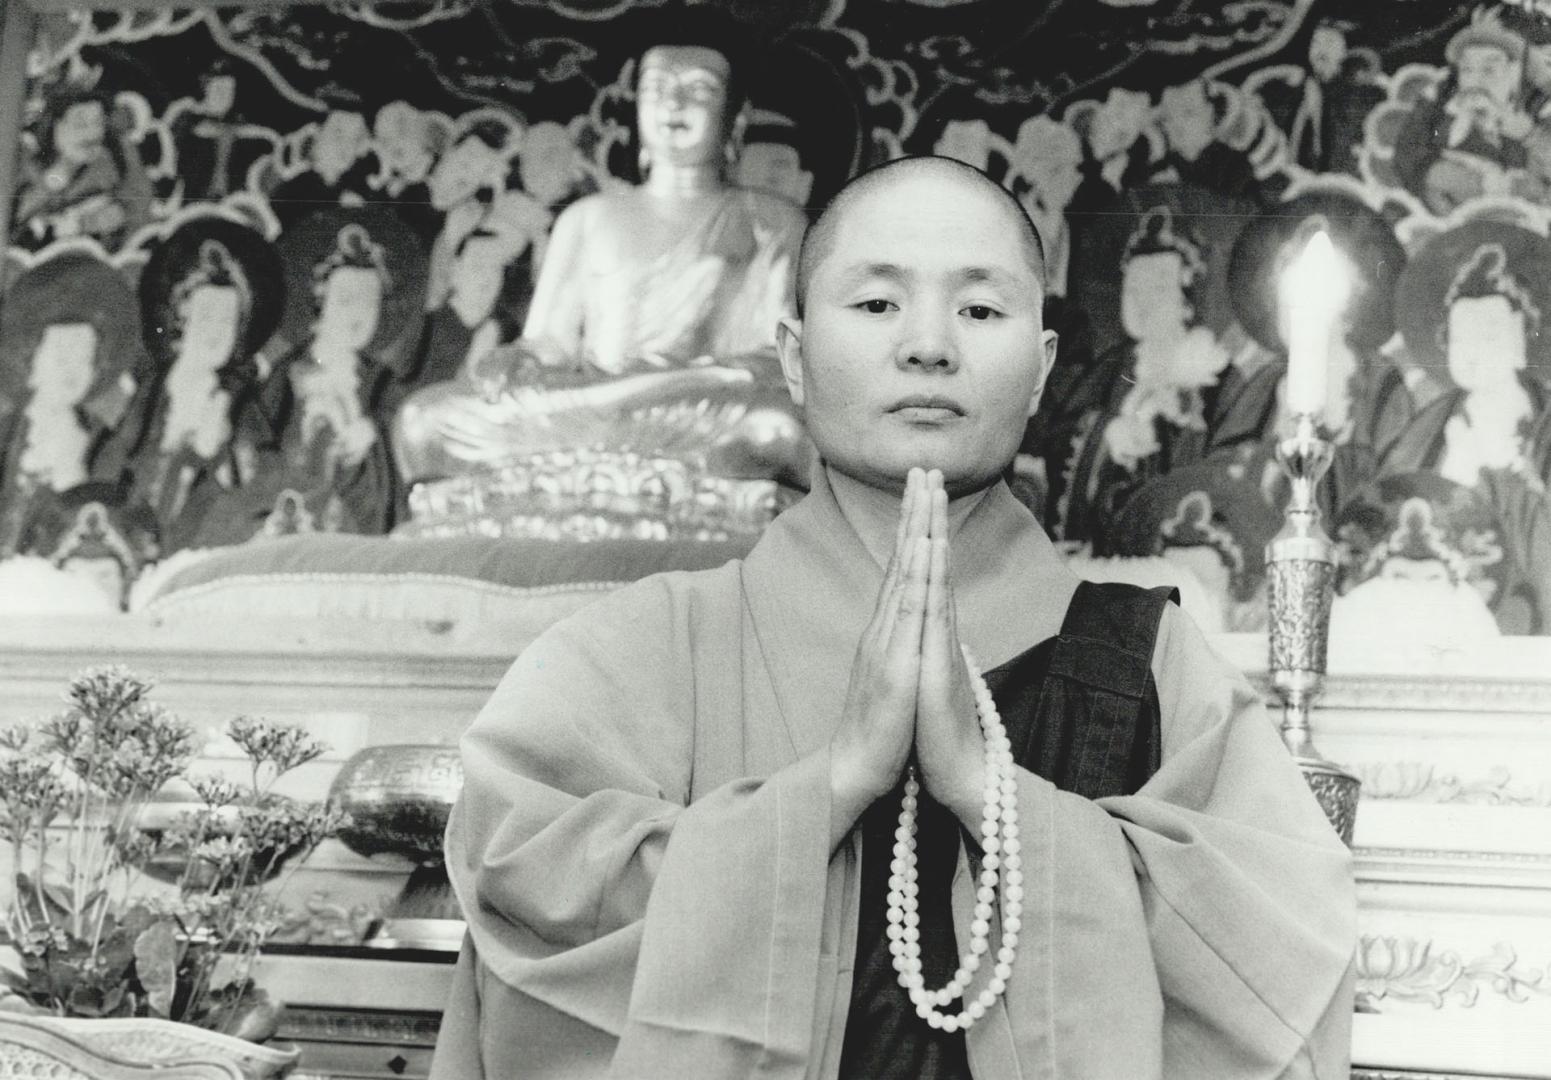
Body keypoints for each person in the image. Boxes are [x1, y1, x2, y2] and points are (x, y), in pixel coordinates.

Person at [431, 156, 1354, 1080]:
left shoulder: (1143, 662)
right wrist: (831, 787)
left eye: (980, 310)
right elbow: (525, 886)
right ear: (790, 356)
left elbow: (1274, 954)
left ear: (1040, 369)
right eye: (876, 305)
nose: (927, 346)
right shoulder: (639, 649)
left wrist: (986, 790)